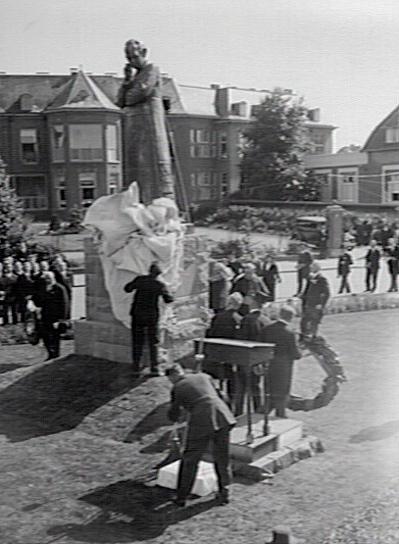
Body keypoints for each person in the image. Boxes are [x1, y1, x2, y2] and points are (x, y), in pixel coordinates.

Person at [166, 363, 236, 507]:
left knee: (190, 459)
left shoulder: (177, 387)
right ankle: (224, 493)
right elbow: (222, 395)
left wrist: (177, 415)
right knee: (222, 456)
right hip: (223, 416)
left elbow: (174, 414)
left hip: (202, 420)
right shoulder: (204, 376)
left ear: (173, 375)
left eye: (170, 379)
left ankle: (181, 497)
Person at [124, 263, 173, 376]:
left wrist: (136, 284)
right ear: (158, 274)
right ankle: (154, 368)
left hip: (137, 313)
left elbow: (127, 289)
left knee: (137, 340)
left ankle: (136, 366)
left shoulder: (140, 279)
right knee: (153, 342)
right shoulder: (159, 284)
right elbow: (168, 299)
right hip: (151, 315)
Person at [260, 306, 301, 418]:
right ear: (291, 317)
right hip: (284, 367)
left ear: (280, 314)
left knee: (269, 392)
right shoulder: (290, 332)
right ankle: (281, 417)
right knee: (282, 395)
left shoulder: (267, 329)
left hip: (269, 364)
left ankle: (263, 415)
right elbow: (296, 354)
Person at [31, 271, 69, 360]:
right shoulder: (43, 288)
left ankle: (56, 354)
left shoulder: (60, 288)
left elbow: (64, 304)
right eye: (46, 278)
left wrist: (60, 320)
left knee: (55, 336)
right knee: (45, 335)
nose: (48, 280)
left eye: (49, 278)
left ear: (53, 278)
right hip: (45, 315)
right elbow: (38, 300)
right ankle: (50, 353)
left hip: (55, 317)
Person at [300, 262, 330, 338]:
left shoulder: (322, 278)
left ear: (316, 268)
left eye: (312, 267)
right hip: (308, 303)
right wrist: (303, 296)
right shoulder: (310, 277)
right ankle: (304, 336)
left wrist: (321, 304)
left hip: (316, 304)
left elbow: (327, 293)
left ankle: (314, 337)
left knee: (314, 322)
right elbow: (307, 289)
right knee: (304, 321)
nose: (310, 269)